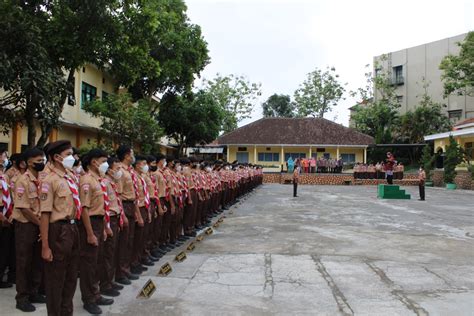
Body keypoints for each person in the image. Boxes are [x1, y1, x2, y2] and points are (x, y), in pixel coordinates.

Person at [39, 140, 80, 316]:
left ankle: (66, 312)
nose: (72, 158)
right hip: (58, 231)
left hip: (72, 228)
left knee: (71, 278)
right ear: (56, 157)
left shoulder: (69, 177)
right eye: (68, 155)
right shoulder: (50, 180)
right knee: (56, 280)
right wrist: (46, 246)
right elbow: (45, 214)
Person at [78, 149, 114, 314]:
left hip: (99, 222)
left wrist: (105, 227)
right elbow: (84, 209)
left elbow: (103, 206)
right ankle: (88, 299)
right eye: (103, 160)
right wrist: (90, 233)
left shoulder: (99, 180)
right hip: (90, 223)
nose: (106, 164)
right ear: (93, 162)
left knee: (97, 261)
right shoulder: (86, 180)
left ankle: (96, 293)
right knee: (88, 264)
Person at [11, 148, 46, 312]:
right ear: (28, 162)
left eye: (42, 159)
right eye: (38, 160)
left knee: (37, 261)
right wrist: (40, 224)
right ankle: (22, 298)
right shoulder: (22, 181)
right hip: (26, 225)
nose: (41, 162)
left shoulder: (43, 178)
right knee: (24, 262)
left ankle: (34, 291)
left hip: (39, 223)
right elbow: (23, 208)